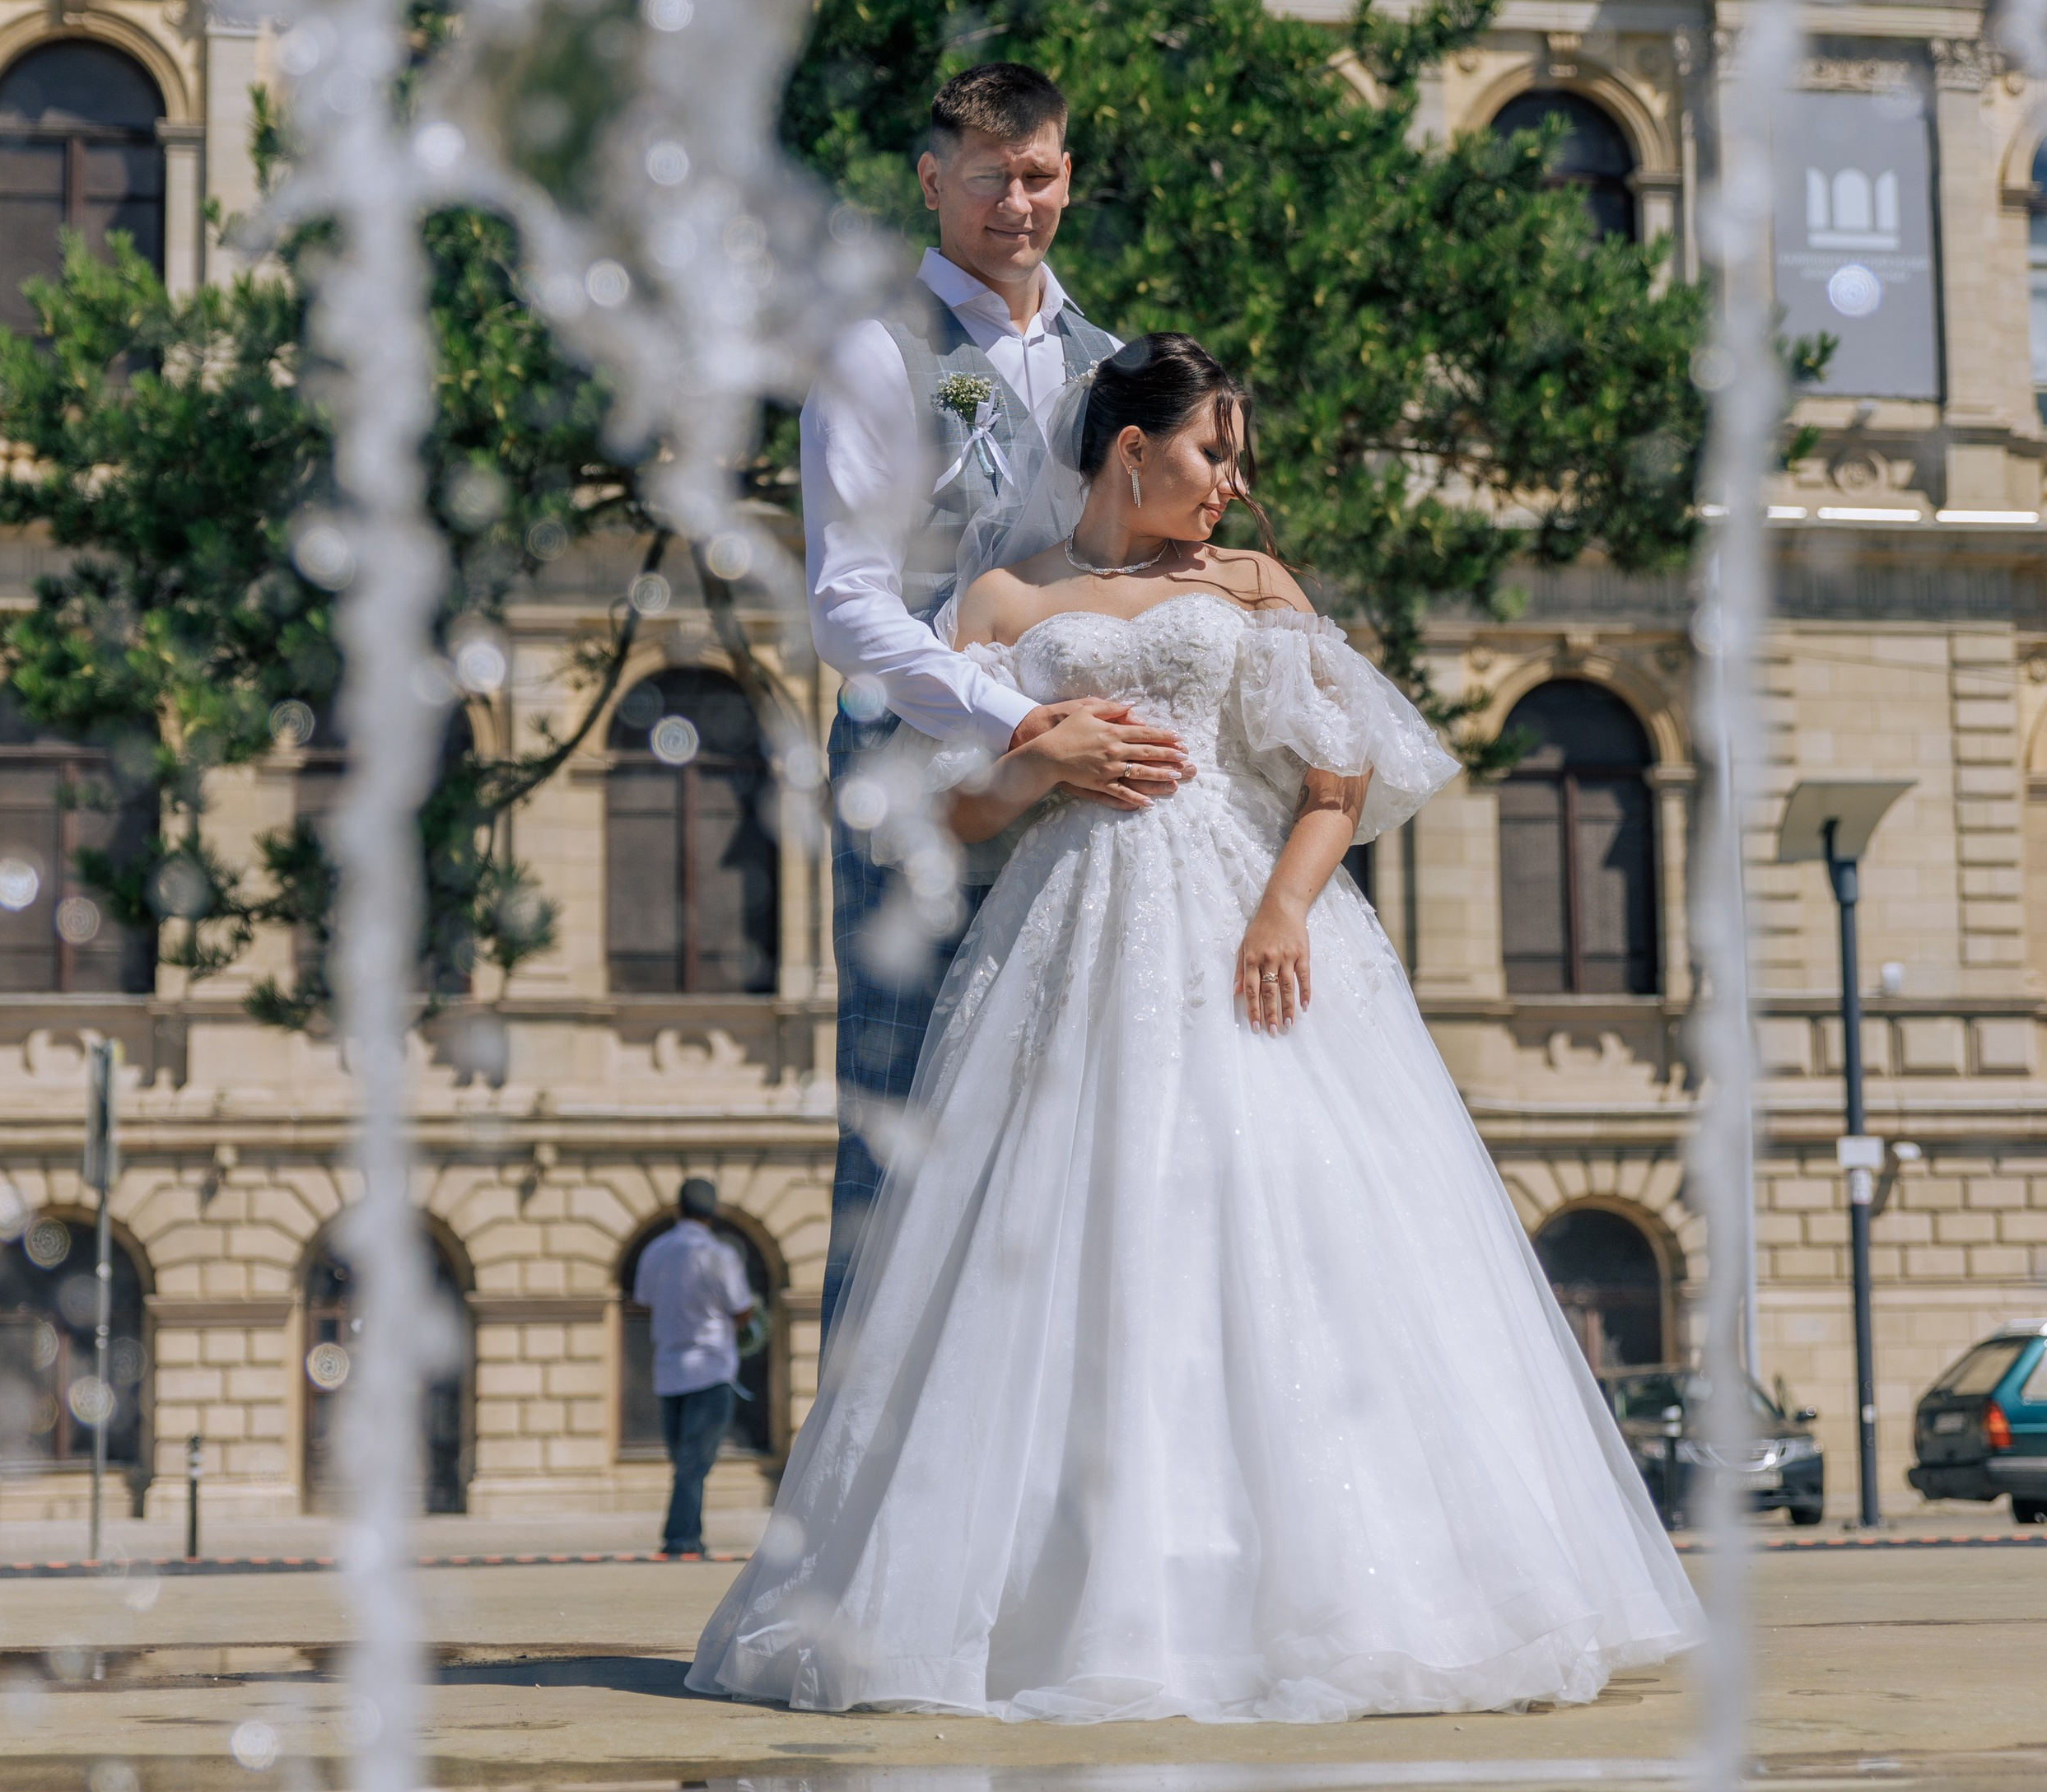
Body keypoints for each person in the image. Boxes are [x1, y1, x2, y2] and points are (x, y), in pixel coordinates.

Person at [692, 334, 1700, 1720]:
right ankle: (1068, 1599)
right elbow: (949, 812)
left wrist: (1284, 914)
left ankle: (1337, 1592)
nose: (1232, 483)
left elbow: (1340, 779)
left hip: (1245, 928)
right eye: (1214, 451)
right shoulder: (1001, 598)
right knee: (1068, 1244)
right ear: (1132, 450)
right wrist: (1035, 759)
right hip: (1069, 932)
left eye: (1236, 459)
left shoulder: (1252, 586)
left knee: (1290, 1238)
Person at [803, 60, 1189, 1345]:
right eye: (988, 178)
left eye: (1038, 175)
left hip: (1077, 780)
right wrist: (1015, 721)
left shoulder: (1107, 363)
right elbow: (848, 605)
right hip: (916, 784)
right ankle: (844, 1509)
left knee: (1062, 1125)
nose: (1016, 204)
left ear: (1068, 174)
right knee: (904, 1119)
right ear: (932, 181)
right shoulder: (878, 354)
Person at [635, 1178, 756, 1561]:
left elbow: (645, 1301)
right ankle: (681, 1538)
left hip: (669, 1370)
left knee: (685, 1462)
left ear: (678, 1209)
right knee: (694, 1463)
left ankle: (688, 1535)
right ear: (713, 1212)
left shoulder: (654, 1251)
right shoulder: (719, 1255)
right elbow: (741, 1309)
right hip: (710, 1369)